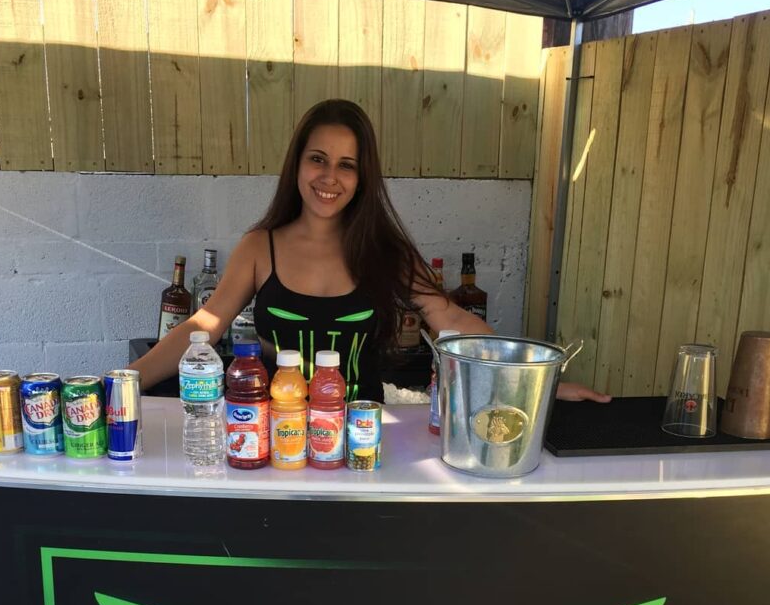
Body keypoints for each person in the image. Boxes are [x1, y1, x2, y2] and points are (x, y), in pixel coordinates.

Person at [132, 99, 611, 404]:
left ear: (363, 179)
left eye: (346, 165)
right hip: (277, 436)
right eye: (317, 159)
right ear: (297, 164)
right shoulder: (262, 247)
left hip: (365, 440)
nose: (329, 178)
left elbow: (458, 326)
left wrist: (538, 386)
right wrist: (121, 382)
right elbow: (202, 327)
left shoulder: (386, 252)